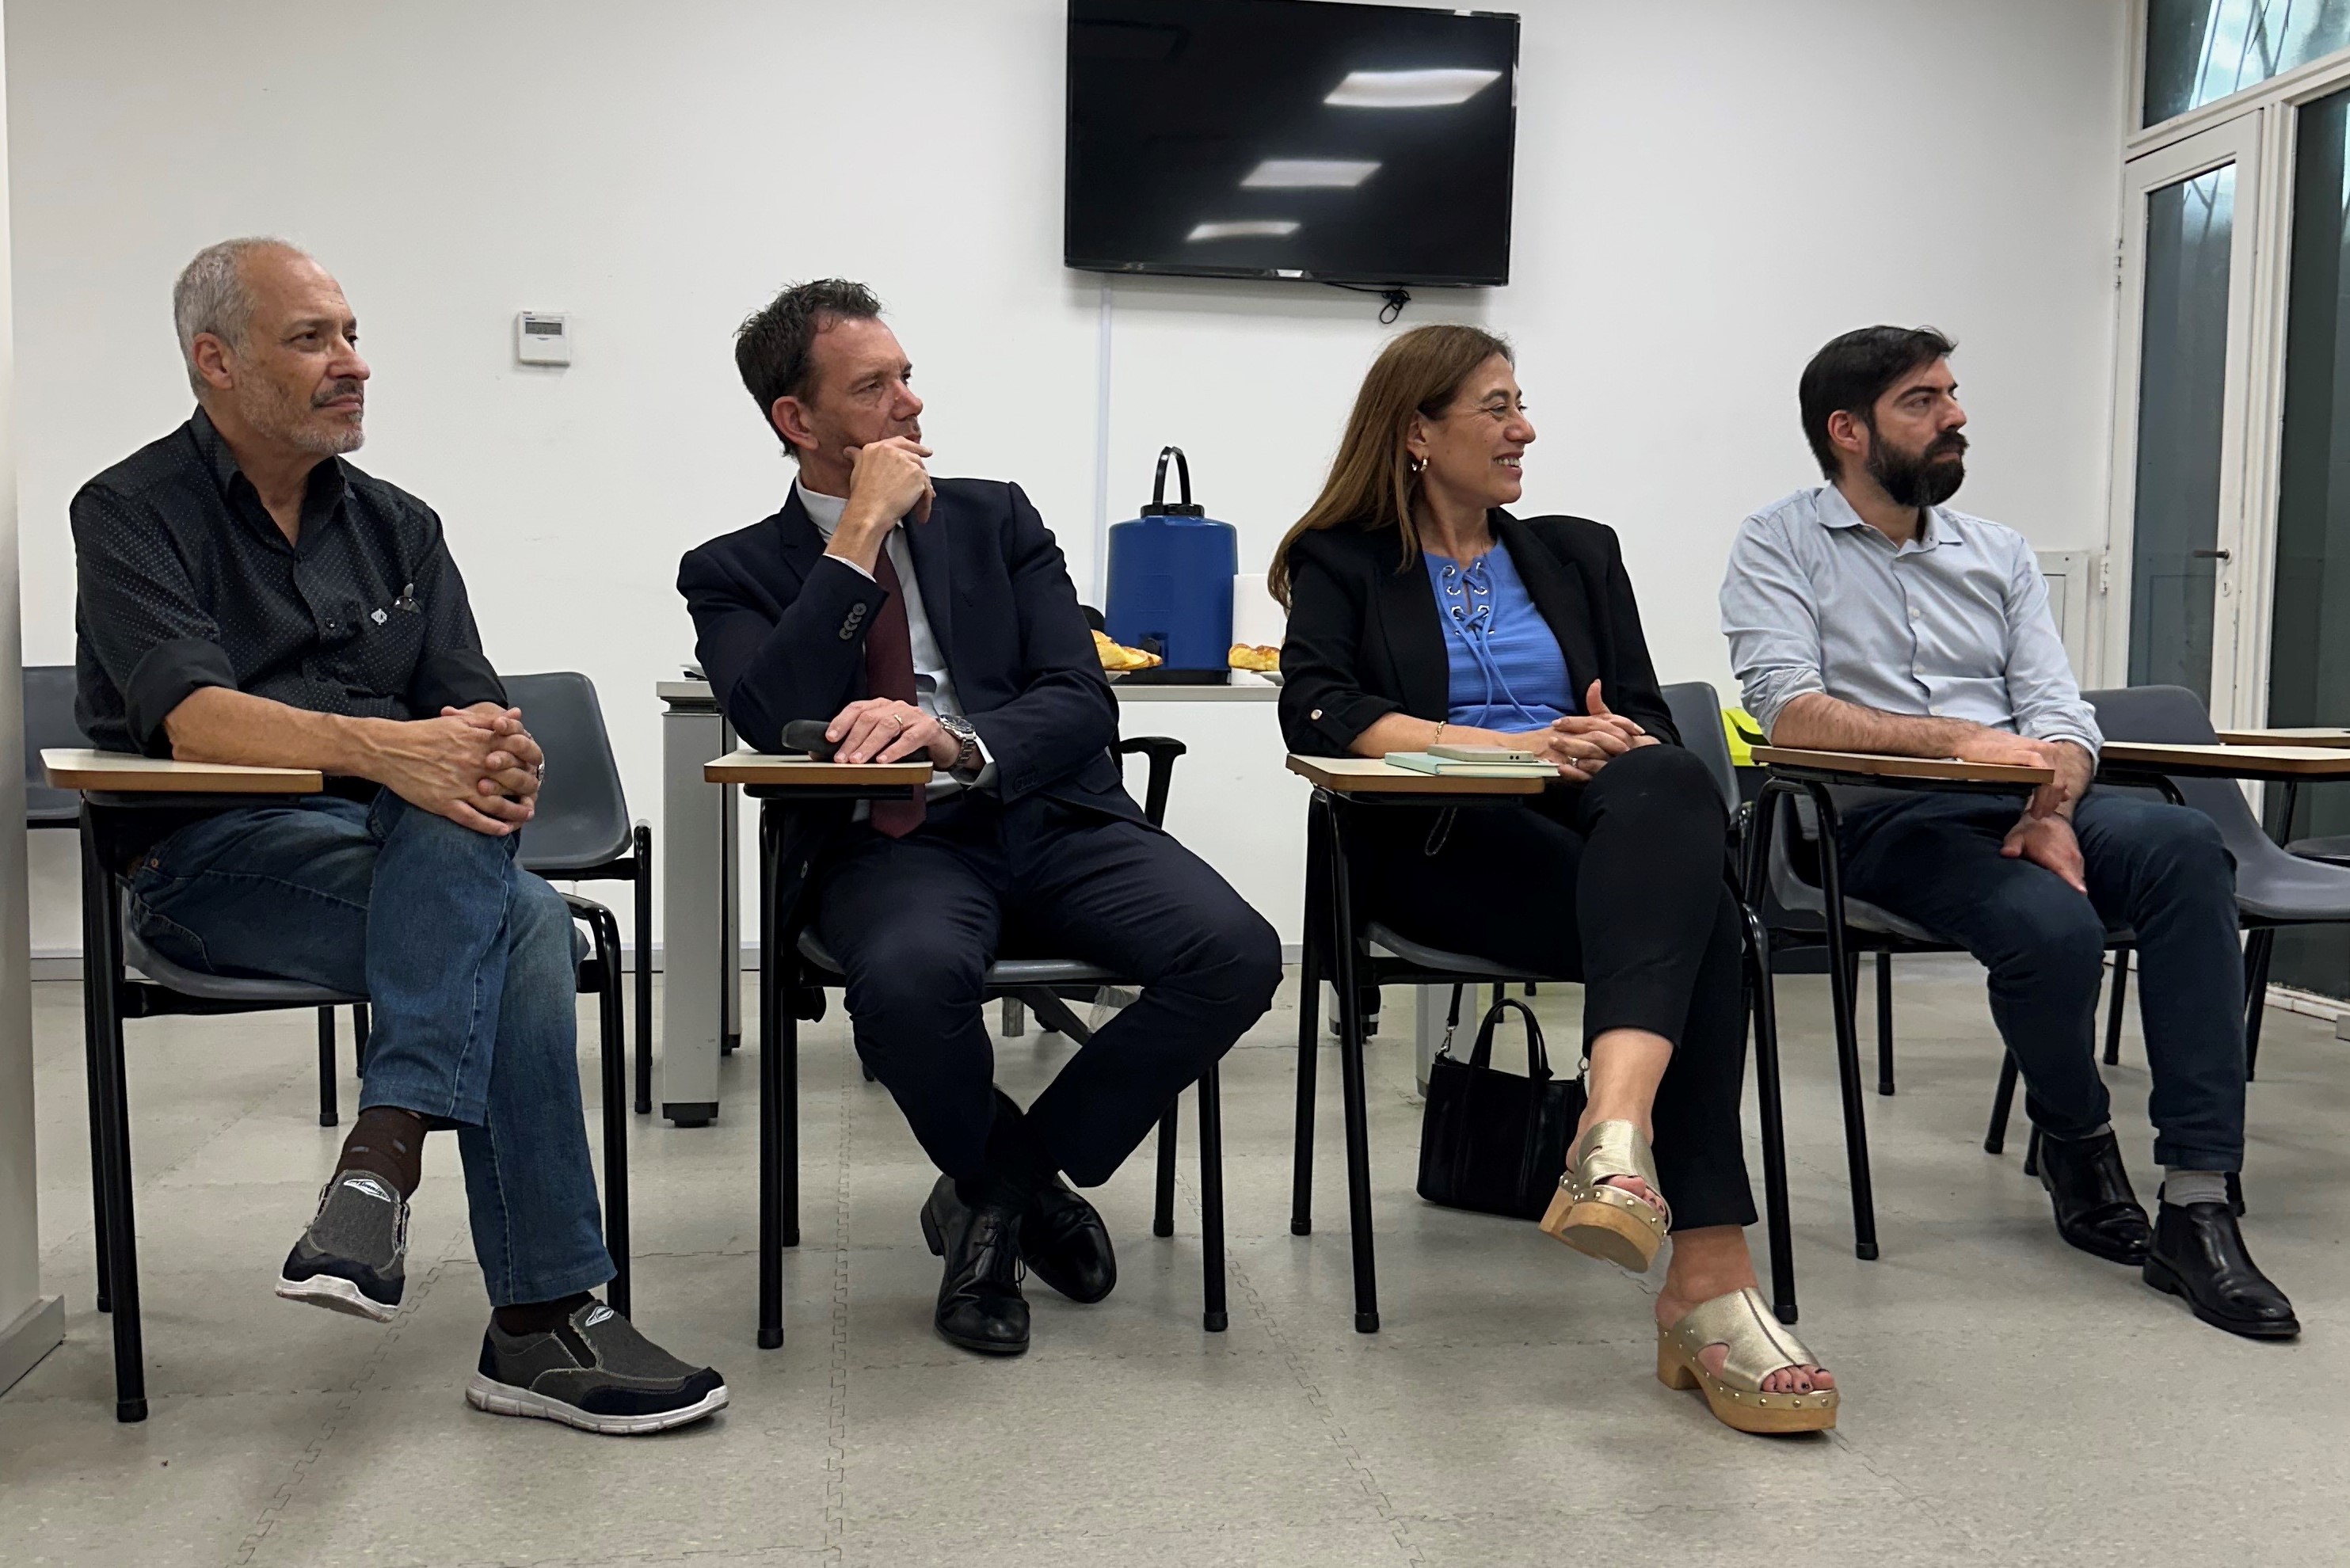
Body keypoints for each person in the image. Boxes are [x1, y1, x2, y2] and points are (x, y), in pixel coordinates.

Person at [72, 238, 729, 1432]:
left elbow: (472, 725)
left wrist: (494, 753)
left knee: (488, 860)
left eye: (352, 335)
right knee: (522, 925)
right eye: (311, 339)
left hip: (397, 852)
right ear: (215, 361)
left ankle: (378, 1174)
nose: (353, 363)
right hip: (212, 868)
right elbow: (195, 718)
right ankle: (537, 1319)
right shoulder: (129, 511)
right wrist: (393, 750)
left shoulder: (400, 526)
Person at [677, 280, 1281, 1357]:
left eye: (906, 376)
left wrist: (960, 741)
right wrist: (858, 532)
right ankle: (1015, 1198)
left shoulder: (996, 518)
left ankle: (995, 1192)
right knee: (910, 984)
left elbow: (1080, 696)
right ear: (797, 420)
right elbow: (771, 717)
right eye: (874, 387)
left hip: (1048, 815)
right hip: (888, 844)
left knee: (1234, 952)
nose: (910, 403)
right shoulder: (731, 570)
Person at [1274, 323, 1838, 1434]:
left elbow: (1640, 711)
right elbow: (1319, 709)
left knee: (1669, 776)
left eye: (1520, 404)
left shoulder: (1576, 553)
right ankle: (1706, 1285)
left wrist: (1607, 736)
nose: (1523, 429)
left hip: (1593, 839)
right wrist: (1514, 746)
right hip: (1438, 847)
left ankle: (1612, 1132)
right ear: (1417, 433)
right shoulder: (1342, 559)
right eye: (1496, 407)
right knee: (1702, 927)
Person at [1720, 325, 2296, 1338]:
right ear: (1847, 431)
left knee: (2185, 849)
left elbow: (2060, 713)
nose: (1956, 416)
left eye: (1951, 393)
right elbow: (1791, 714)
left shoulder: (1997, 552)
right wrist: (1965, 743)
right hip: (1875, 821)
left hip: (2025, 802)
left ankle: (2198, 1203)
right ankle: (2075, 1137)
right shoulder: (1779, 543)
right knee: (2052, 927)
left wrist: (2051, 809)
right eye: (1922, 401)